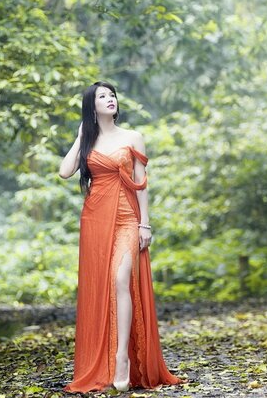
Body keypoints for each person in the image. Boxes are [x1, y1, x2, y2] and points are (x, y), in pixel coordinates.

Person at [58, 81, 183, 393]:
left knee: (120, 279)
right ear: (92, 106)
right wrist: (79, 135)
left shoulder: (133, 137)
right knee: (101, 286)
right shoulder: (87, 139)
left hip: (128, 217)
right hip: (95, 219)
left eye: (112, 95)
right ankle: (104, 364)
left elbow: (141, 181)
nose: (109, 99)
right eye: (102, 96)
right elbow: (64, 171)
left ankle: (122, 359)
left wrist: (146, 225)